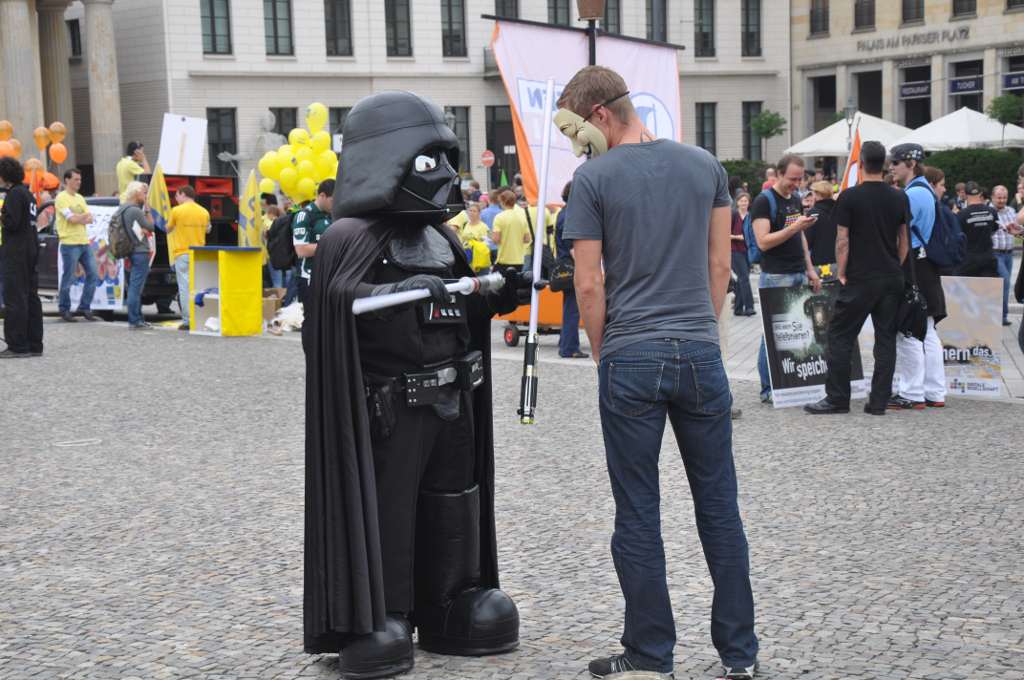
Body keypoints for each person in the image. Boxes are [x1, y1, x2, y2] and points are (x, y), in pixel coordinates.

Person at [304, 90, 525, 678]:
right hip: (391, 406)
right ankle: (386, 611)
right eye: (429, 162)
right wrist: (386, 295)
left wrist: (501, 293)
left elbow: (460, 310)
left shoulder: (443, 240)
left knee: (455, 498)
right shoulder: (347, 238)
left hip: (455, 399)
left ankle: (450, 601)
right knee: (390, 507)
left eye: (447, 160)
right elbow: (331, 312)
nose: (448, 177)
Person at [558, 65, 757, 680]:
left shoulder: (591, 180)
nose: (572, 144)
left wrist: (601, 350)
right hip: (700, 350)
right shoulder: (705, 166)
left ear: (597, 117)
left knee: (638, 508)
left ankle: (650, 654)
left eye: (571, 130)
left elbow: (588, 284)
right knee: (720, 507)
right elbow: (719, 265)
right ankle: (739, 657)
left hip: (631, 354)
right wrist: (701, 328)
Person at [804, 141, 910, 416]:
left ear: (861, 163)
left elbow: (842, 240)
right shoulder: (899, 196)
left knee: (840, 335)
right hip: (890, 277)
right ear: (885, 164)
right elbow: (904, 241)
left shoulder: (850, 196)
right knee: (885, 339)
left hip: (860, 278)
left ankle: (837, 398)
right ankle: (878, 402)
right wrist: (894, 267)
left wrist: (841, 271)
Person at [752, 154, 822, 403]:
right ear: (779, 174)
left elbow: (800, 237)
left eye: (800, 179)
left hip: (797, 272)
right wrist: (794, 228)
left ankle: (792, 381)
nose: (796, 183)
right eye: (792, 179)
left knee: (796, 329)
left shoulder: (794, 199)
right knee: (771, 332)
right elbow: (763, 241)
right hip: (776, 274)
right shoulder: (763, 201)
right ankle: (767, 388)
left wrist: (810, 268)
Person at [889, 144, 947, 410]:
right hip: (925, 264)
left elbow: (897, 232)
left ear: (910, 164)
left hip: (911, 262)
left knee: (908, 329)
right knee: (929, 330)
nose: (891, 167)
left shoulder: (912, 194)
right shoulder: (925, 189)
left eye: (896, 163)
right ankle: (934, 391)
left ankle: (912, 392)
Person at [0, 157, 43, 358]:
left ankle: (17, 344)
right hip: (31, 248)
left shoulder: (14, 195)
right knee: (31, 296)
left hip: (16, 251)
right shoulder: (28, 194)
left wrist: (2, 214)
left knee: (15, 297)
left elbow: (12, 223)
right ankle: (35, 342)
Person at [54, 168, 100, 322]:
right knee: (69, 277)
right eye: (76, 179)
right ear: (67, 180)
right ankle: (64, 309)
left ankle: (84, 307)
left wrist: (78, 217)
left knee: (93, 274)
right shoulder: (61, 198)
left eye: (80, 180)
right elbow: (71, 219)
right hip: (69, 242)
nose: (79, 182)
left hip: (83, 241)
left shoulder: (80, 198)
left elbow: (90, 218)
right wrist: (81, 217)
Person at [165, 184, 211, 331]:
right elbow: (208, 229)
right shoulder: (204, 211)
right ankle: (200, 317)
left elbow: (168, 229)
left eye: (177, 196)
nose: (176, 199)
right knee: (198, 287)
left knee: (185, 288)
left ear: (182, 194)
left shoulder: (176, 210)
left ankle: (188, 320)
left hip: (182, 252)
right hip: (199, 253)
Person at [292, 179, 335, 313]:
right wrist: (331, 246)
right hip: (310, 277)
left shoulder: (332, 215)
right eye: (333, 201)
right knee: (312, 322)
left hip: (330, 276)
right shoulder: (304, 215)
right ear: (322, 196)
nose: (335, 205)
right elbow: (301, 250)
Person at [555, 181, 587, 358]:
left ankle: (565, 342)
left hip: (564, 265)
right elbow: (572, 248)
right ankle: (569, 347)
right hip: (571, 266)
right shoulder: (570, 215)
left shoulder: (562, 213)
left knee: (569, 307)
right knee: (572, 309)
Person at [120, 181, 155, 329]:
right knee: (136, 288)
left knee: (133, 287)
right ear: (135, 193)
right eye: (143, 193)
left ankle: (137, 318)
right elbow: (151, 227)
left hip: (128, 251)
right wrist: (147, 210)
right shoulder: (135, 210)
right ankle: (135, 320)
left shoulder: (122, 208)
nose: (145, 195)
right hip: (140, 251)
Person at [989, 185, 1023, 326]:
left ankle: (1002, 315)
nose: (1002, 200)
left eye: (1004, 197)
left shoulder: (1011, 211)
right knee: (1005, 281)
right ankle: (1000, 316)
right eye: (999, 197)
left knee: (1004, 285)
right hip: (995, 253)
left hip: (1009, 253)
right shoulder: (988, 212)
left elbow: (1018, 228)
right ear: (992, 197)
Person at [956, 182, 999, 278]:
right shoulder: (992, 211)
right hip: (988, 258)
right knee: (989, 291)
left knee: (968, 291)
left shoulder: (961, 215)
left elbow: (958, 237)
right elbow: (994, 230)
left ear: (966, 195)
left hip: (969, 261)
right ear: (980, 194)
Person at [491, 189, 531, 275]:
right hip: (519, 260)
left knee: (498, 286)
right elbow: (527, 239)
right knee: (514, 286)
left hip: (504, 259)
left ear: (502, 201)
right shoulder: (522, 217)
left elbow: (496, 239)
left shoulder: (499, 217)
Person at [730, 192, 755, 316]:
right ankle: (749, 306)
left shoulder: (751, 216)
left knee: (741, 279)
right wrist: (738, 237)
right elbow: (724, 233)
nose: (744, 203)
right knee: (744, 278)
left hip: (748, 250)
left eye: (746, 201)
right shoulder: (733, 215)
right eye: (741, 201)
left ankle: (738, 309)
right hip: (735, 250)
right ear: (737, 202)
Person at [805, 181, 838, 268]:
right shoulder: (840, 211)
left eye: (813, 194)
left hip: (819, 263)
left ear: (818, 194)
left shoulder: (813, 214)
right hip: (839, 261)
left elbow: (807, 241)